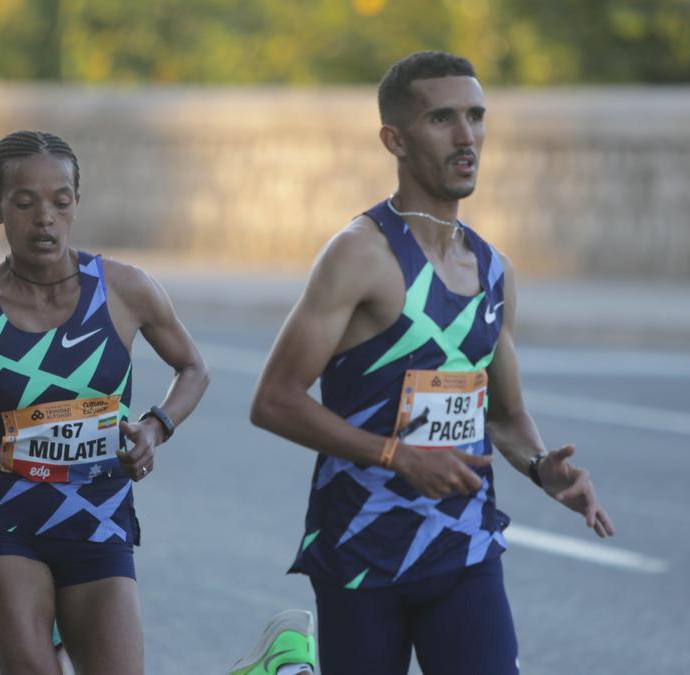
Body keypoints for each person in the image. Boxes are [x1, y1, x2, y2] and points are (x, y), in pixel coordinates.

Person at [249, 51, 615, 674]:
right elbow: (274, 400)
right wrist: (397, 455)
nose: (467, 135)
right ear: (394, 139)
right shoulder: (358, 255)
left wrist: (538, 466)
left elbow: (505, 414)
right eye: (442, 118)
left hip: (462, 545)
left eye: (476, 116)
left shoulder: (494, 270)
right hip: (362, 549)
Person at [0, 130, 210, 674]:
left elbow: (193, 368)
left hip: (99, 512)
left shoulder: (126, 290)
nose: (44, 217)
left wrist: (156, 426)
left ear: (76, 204)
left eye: (60, 202)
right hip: (7, 513)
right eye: (24, 203)